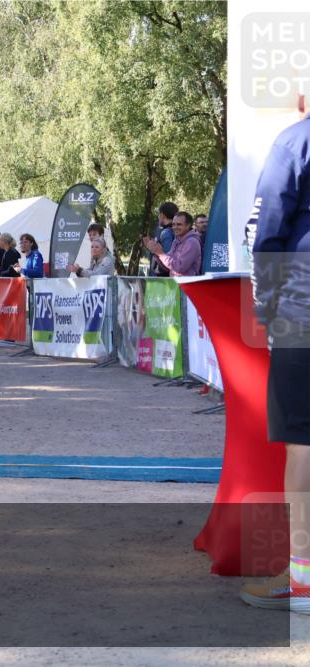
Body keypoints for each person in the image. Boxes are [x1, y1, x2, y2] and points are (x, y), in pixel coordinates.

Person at [240, 108, 310, 614]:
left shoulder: (294, 141)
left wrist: (265, 307)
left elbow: (266, 235)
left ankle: (304, 580)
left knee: (304, 445)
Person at [142, 211, 201, 277]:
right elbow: (167, 267)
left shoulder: (192, 242)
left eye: (179, 224)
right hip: (175, 284)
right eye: (173, 224)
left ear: (188, 225)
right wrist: (156, 252)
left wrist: (160, 253)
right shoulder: (176, 241)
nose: (175, 227)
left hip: (187, 286)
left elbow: (179, 267)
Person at [148, 201, 179, 276]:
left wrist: (155, 251)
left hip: (162, 277)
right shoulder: (176, 231)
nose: (158, 217)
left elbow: (167, 257)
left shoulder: (166, 233)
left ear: (162, 215)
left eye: (158, 214)